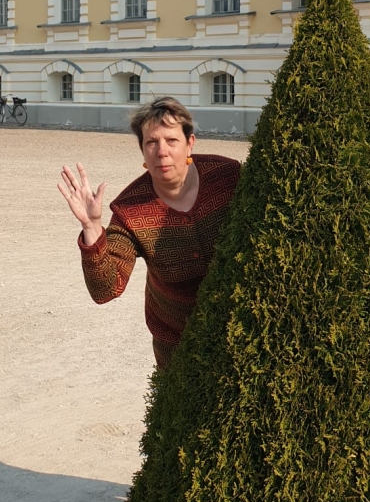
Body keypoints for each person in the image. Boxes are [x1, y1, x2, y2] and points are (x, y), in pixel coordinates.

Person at [58, 97, 240, 369]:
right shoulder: (130, 208)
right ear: (142, 150)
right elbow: (106, 289)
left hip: (243, 327)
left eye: (172, 140)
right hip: (177, 342)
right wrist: (92, 226)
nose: (161, 151)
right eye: (151, 142)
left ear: (190, 142)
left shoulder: (228, 176)